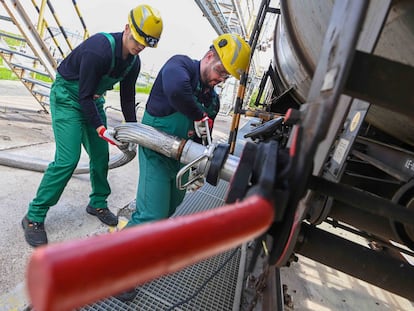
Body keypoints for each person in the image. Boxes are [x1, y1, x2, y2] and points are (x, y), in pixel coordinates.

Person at [113, 33, 250, 302]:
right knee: (150, 215)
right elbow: (177, 92)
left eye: (226, 77)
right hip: (155, 152)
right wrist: (200, 116)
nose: (220, 79)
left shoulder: (213, 99)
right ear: (210, 56)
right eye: (220, 71)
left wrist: (200, 165)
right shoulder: (180, 67)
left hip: (181, 160)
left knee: (168, 213)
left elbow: (205, 136)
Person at [21, 4, 163, 247]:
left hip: (92, 100)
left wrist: (133, 129)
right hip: (68, 98)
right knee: (68, 159)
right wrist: (101, 128)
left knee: (100, 156)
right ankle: (34, 216)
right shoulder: (99, 49)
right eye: (137, 40)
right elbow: (83, 96)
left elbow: (127, 98)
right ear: (127, 28)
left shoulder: (133, 63)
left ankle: (97, 202)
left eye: (144, 45)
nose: (139, 47)